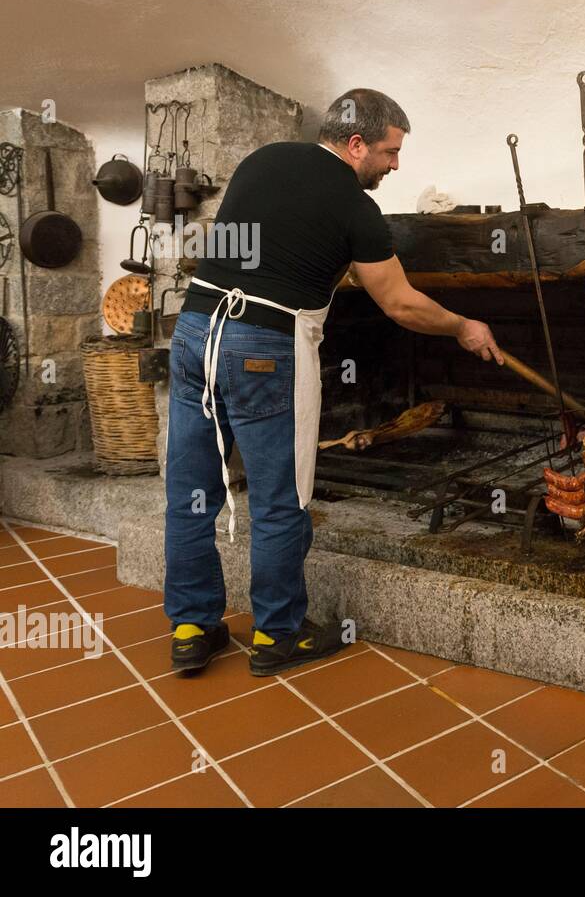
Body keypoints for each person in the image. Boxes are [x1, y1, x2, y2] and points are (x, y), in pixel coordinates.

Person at [164, 88, 502, 677]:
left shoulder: (263, 158)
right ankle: (277, 636)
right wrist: (463, 327)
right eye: (389, 152)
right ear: (355, 144)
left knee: (191, 490)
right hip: (265, 349)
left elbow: (264, 246)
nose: (395, 165)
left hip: (195, 331)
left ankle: (192, 628)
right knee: (279, 498)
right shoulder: (356, 208)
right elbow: (400, 304)